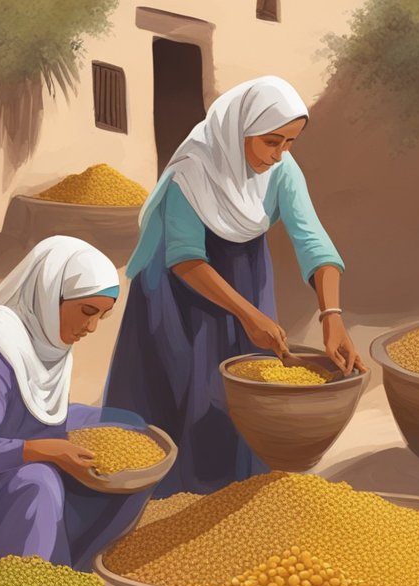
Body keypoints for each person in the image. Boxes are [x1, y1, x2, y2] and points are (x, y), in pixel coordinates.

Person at [103, 75, 365, 498]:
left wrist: (332, 317)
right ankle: (168, 501)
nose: (280, 155)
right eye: (271, 142)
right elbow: (185, 258)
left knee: (247, 390)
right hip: (179, 288)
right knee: (186, 385)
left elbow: (313, 240)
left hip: (243, 275)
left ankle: (235, 495)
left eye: (290, 143)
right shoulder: (192, 169)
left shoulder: (282, 171)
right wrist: (250, 315)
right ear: (239, 129)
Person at [0, 236, 152, 571]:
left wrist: (56, 447)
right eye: (87, 311)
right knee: (39, 481)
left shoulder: (48, 338)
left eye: (102, 317)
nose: (91, 327)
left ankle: (69, 564)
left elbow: (40, 413)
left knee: (129, 428)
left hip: (11, 460)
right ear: (49, 295)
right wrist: (49, 451)